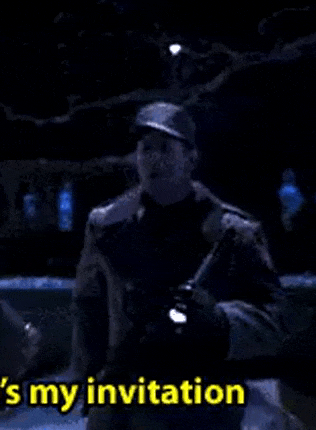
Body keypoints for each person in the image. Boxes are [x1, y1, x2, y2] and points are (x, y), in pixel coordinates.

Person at [70, 101, 294, 430]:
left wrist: (219, 320)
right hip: (124, 403)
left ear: (191, 158)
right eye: (146, 149)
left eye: (165, 148)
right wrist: (87, 383)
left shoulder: (233, 233)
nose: (153, 159)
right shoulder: (107, 226)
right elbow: (89, 308)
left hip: (202, 403)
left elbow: (274, 319)